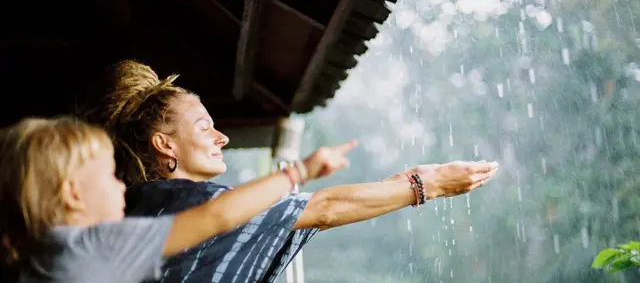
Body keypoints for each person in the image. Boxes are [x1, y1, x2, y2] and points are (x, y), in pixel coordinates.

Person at [80, 59, 500, 283]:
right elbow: (324, 207)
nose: (221, 137)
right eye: (205, 126)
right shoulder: (190, 204)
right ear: (164, 144)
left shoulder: (133, 210)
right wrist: (427, 184)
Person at [0, 116, 347, 283]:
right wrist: (298, 172)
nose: (122, 186)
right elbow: (217, 217)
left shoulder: (32, 258)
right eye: (108, 175)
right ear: (72, 194)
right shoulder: (100, 246)